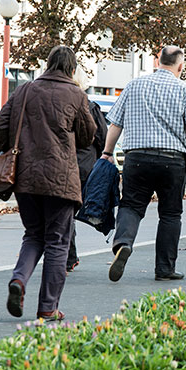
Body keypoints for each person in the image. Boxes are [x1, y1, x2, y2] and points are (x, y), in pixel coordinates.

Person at [0, 45, 96, 320]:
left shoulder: (24, 90)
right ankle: (48, 307)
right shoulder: (76, 94)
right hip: (61, 180)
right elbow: (87, 136)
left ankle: (19, 280)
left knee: (34, 235)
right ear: (72, 70)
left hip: (24, 178)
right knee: (58, 242)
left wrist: (12, 149)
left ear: (47, 65)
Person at [103, 46, 186, 282]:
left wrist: (107, 153)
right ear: (181, 66)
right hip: (173, 160)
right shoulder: (185, 90)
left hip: (137, 158)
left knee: (131, 206)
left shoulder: (134, 85)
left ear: (157, 61)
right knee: (170, 214)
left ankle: (123, 243)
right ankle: (164, 269)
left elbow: (115, 124)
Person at [66, 68, 108, 273]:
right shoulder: (90, 107)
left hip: (63, 164)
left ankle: (68, 256)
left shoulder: (59, 104)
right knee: (72, 211)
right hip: (84, 166)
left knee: (65, 213)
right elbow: (102, 137)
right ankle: (68, 256)